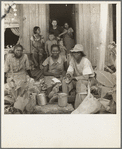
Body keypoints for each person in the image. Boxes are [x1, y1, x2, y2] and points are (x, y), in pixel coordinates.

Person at [64, 44, 94, 109]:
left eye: (76, 53)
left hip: (88, 81)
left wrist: (74, 78)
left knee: (80, 84)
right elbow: (70, 69)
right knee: (65, 81)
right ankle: (65, 102)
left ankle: (80, 107)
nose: (74, 54)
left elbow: (86, 77)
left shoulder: (85, 61)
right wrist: (68, 75)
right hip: (78, 79)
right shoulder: (73, 60)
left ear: (80, 54)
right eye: (73, 53)